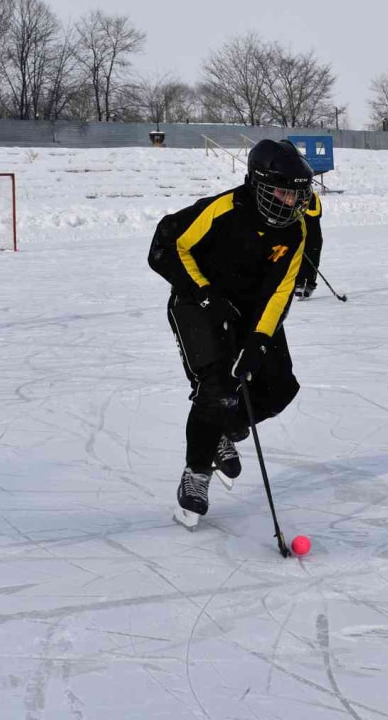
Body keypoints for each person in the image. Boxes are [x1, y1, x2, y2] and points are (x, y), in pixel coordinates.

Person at [147, 139, 313, 523]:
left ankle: (225, 430)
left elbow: (280, 291)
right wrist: (204, 294)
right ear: (258, 183)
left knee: (279, 388)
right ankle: (197, 472)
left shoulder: (295, 231)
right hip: (197, 304)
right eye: (284, 192)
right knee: (218, 387)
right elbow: (166, 245)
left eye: (298, 195)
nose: (292, 202)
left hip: (250, 313)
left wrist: (258, 341)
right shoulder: (223, 210)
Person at [294, 190, 323, 299]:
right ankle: (299, 284)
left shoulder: (313, 196)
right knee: (299, 260)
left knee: (313, 261)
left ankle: (310, 284)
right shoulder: (294, 195)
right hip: (300, 235)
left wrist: (301, 210)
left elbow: (317, 213)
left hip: (314, 236)